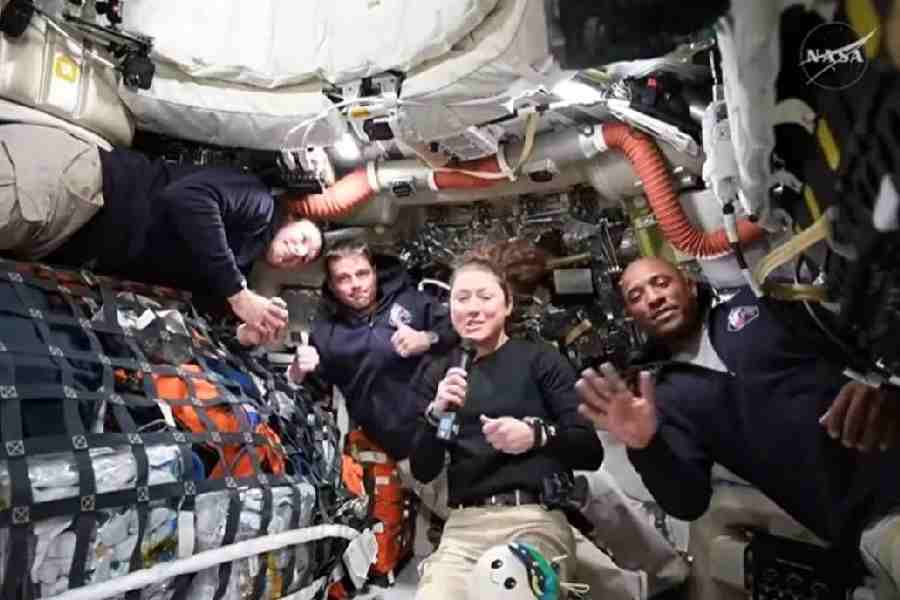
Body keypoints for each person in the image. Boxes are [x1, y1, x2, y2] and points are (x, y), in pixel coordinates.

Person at [576, 256, 900, 598]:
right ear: (632, 314)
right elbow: (687, 502)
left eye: (661, 283)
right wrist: (645, 445)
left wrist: (886, 382)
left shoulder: (757, 306)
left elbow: (861, 333)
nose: (653, 298)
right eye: (636, 296)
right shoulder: (661, 398)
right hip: (872, 519)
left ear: (688, 284)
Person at [0, 123, 323, 339]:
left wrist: (244, 333)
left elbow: (200, 308)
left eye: (304, 258)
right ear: (292, 219)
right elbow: (187, 199)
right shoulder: (260, 204)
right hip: (77, 189)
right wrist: (238, 294)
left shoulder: (235, 264)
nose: (298, 251)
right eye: (304, 239)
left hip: (71, 237)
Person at [408, 255, 605, 600]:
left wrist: (535, 435)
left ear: (508, 304)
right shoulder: (439, 374)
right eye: (462, 298)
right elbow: (424, 469)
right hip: (464, 527)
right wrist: (438, 415)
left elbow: (589, 449)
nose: (473, 309)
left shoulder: (541, 361)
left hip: (534, 520)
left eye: (484, 297)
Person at [287, 239, 457, 511]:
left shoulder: (410, 300)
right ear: (331, 286)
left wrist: (427, 338)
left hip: (456, 425)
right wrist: (297, 371)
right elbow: (312, 392)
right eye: (343, 278)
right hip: (409, 450)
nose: (355, 284)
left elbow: (460, 333)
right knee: (460, 519)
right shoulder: (326, 333)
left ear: (374, 271)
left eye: (362, 274)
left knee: (499, 511)